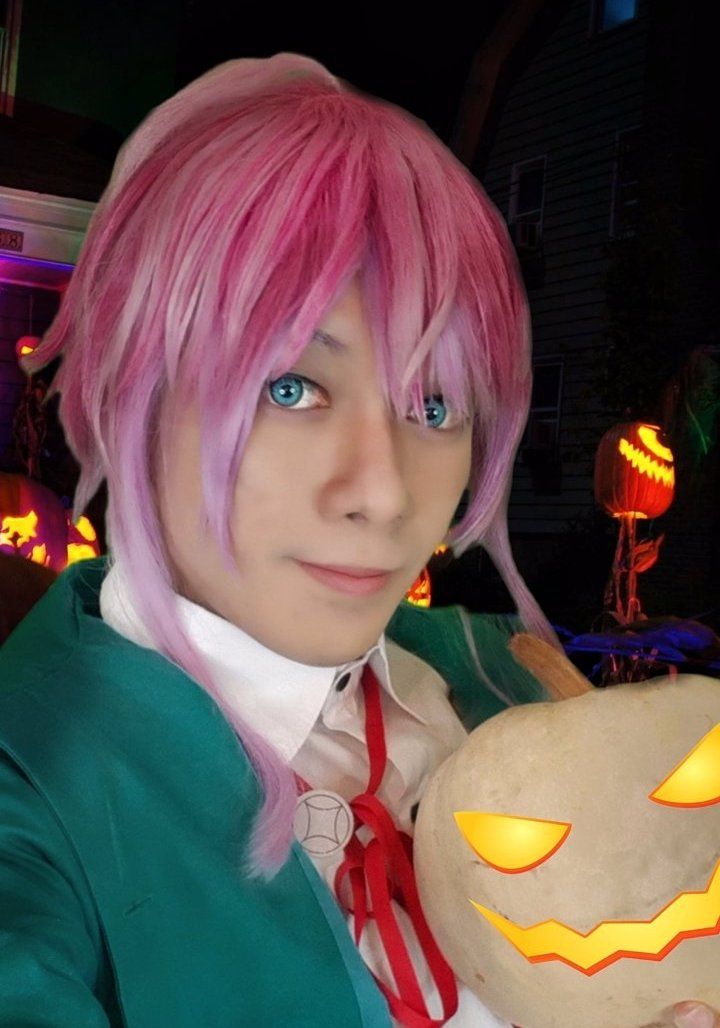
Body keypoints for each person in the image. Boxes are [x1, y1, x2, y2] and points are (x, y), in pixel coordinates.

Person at [0, 53, 716, 1028]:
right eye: (291, 386)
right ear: (137, 384)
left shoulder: (493, 678)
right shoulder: (30, 796)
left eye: (435, 405)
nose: (384, 492)